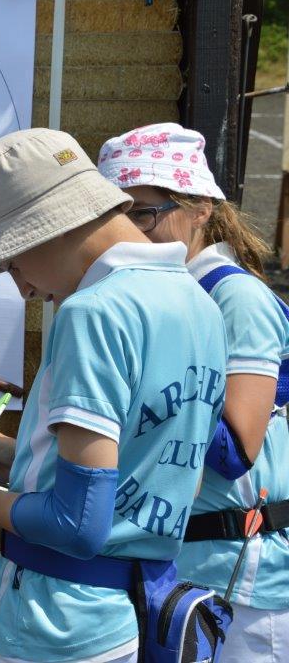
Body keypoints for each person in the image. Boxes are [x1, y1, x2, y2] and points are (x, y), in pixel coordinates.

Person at [0, 128, 228, 662]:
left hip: (53, 624)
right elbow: (150, 468)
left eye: (11, 261)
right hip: (131, 614)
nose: (22, 287)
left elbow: (76, 526)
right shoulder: (199, 302)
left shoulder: (92, 312)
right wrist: (16, 457)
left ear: (46, 227)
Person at [98, 122, 289, 662]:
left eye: (144, 214)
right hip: (180, 565)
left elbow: (235, 450)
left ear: (201, 207)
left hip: (242, 586)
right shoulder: (165, 294)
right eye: (116, 216)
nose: (129, 233)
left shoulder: (237, 298)